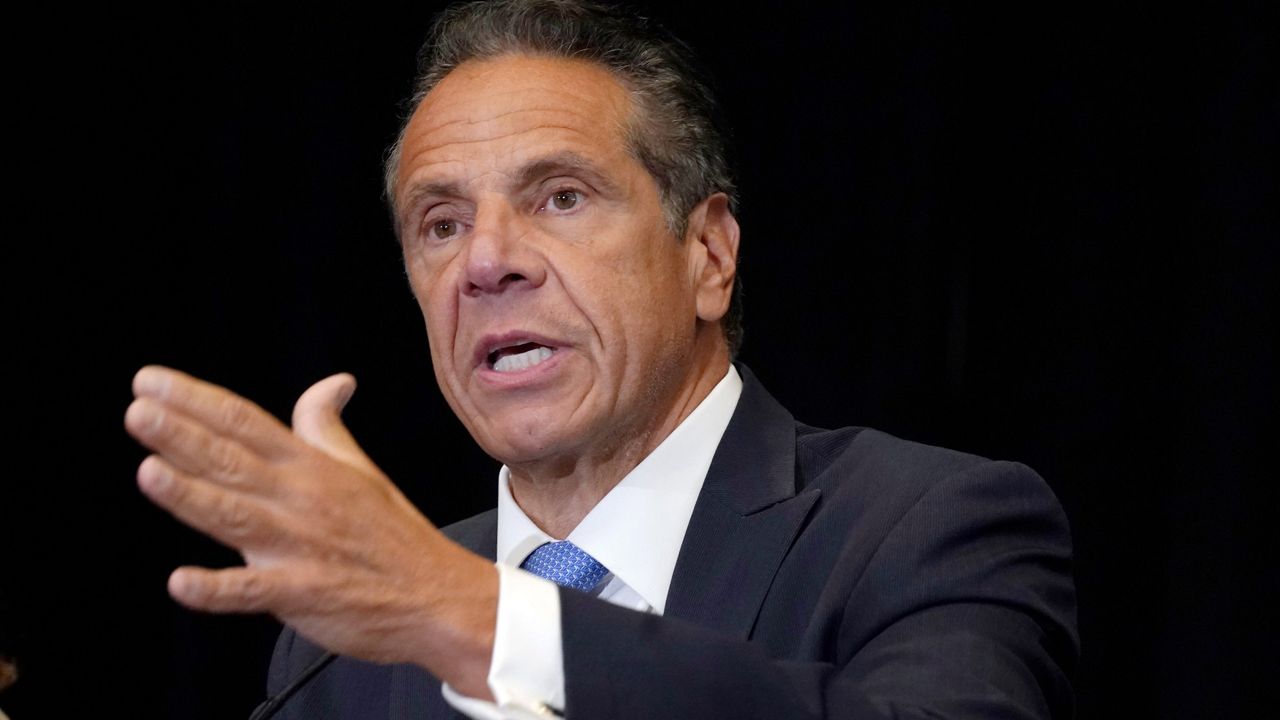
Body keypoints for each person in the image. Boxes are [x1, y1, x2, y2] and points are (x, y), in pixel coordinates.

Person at [125, 1, 1078, 718]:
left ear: (708, 256)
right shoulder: (345, 640)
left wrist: (480, 619)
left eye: (561, 197)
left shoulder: (926, 529)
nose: (485, 261)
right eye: (441, 223)